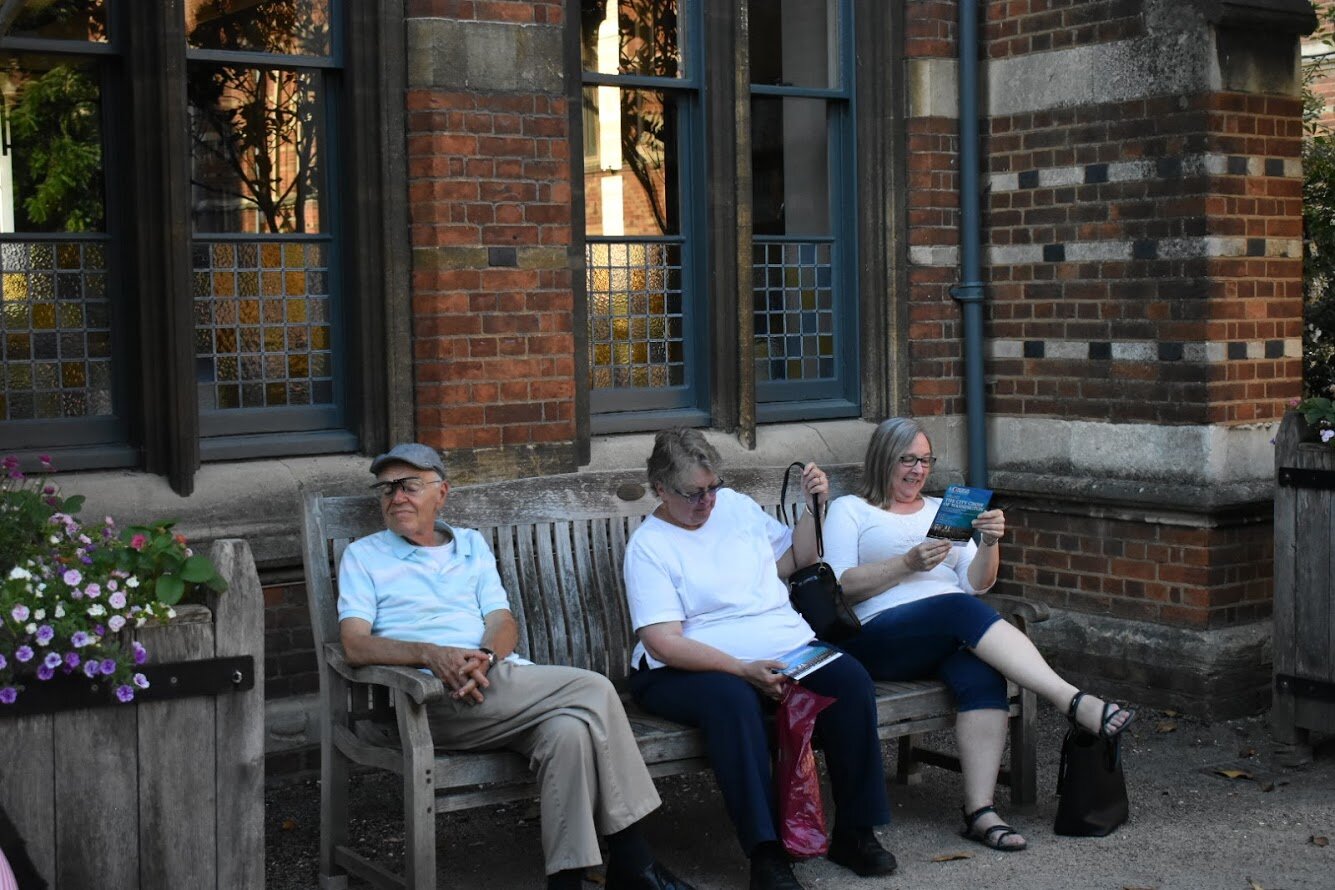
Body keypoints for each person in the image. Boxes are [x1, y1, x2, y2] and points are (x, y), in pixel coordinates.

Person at [337, 443, 694, 890]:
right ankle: (635, 859)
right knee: (596, 689)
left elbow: (502, 622)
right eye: (386, 488)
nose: (396, 497)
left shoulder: (469, 545)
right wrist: (429, 654)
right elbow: (353, 644)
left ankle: (566, 882)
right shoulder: (365, 556)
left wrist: (485, 657)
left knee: (569, 733)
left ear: (441, 493)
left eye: (409, 485)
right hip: (431, 697)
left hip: (496, 682)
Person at [822, 417, 1137, 852]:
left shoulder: (942, 510)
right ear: (883, 459)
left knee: (982, 675)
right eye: (907, 460)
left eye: (926, 460)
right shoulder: (851, 510)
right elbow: (839, 588)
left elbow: (977, 585)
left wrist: (989, 543)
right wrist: (906, 565)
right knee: (955, 609)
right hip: (877, 638)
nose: (918, 470)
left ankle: (979, 812)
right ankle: (1072, 700)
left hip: (949, 629)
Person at [623, 429, 895, 890]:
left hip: (783, 646)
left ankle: (855, 830)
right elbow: (662, 642)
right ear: (660, 490)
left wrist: (815, 507)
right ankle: (766, 853)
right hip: (687, 666)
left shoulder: (736, 508)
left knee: (848, 679)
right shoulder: (650, 547)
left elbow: (795, 559)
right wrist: (741, 669)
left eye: (713, 487)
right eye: (694, 493)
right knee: (733, 702)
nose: (707, 501)